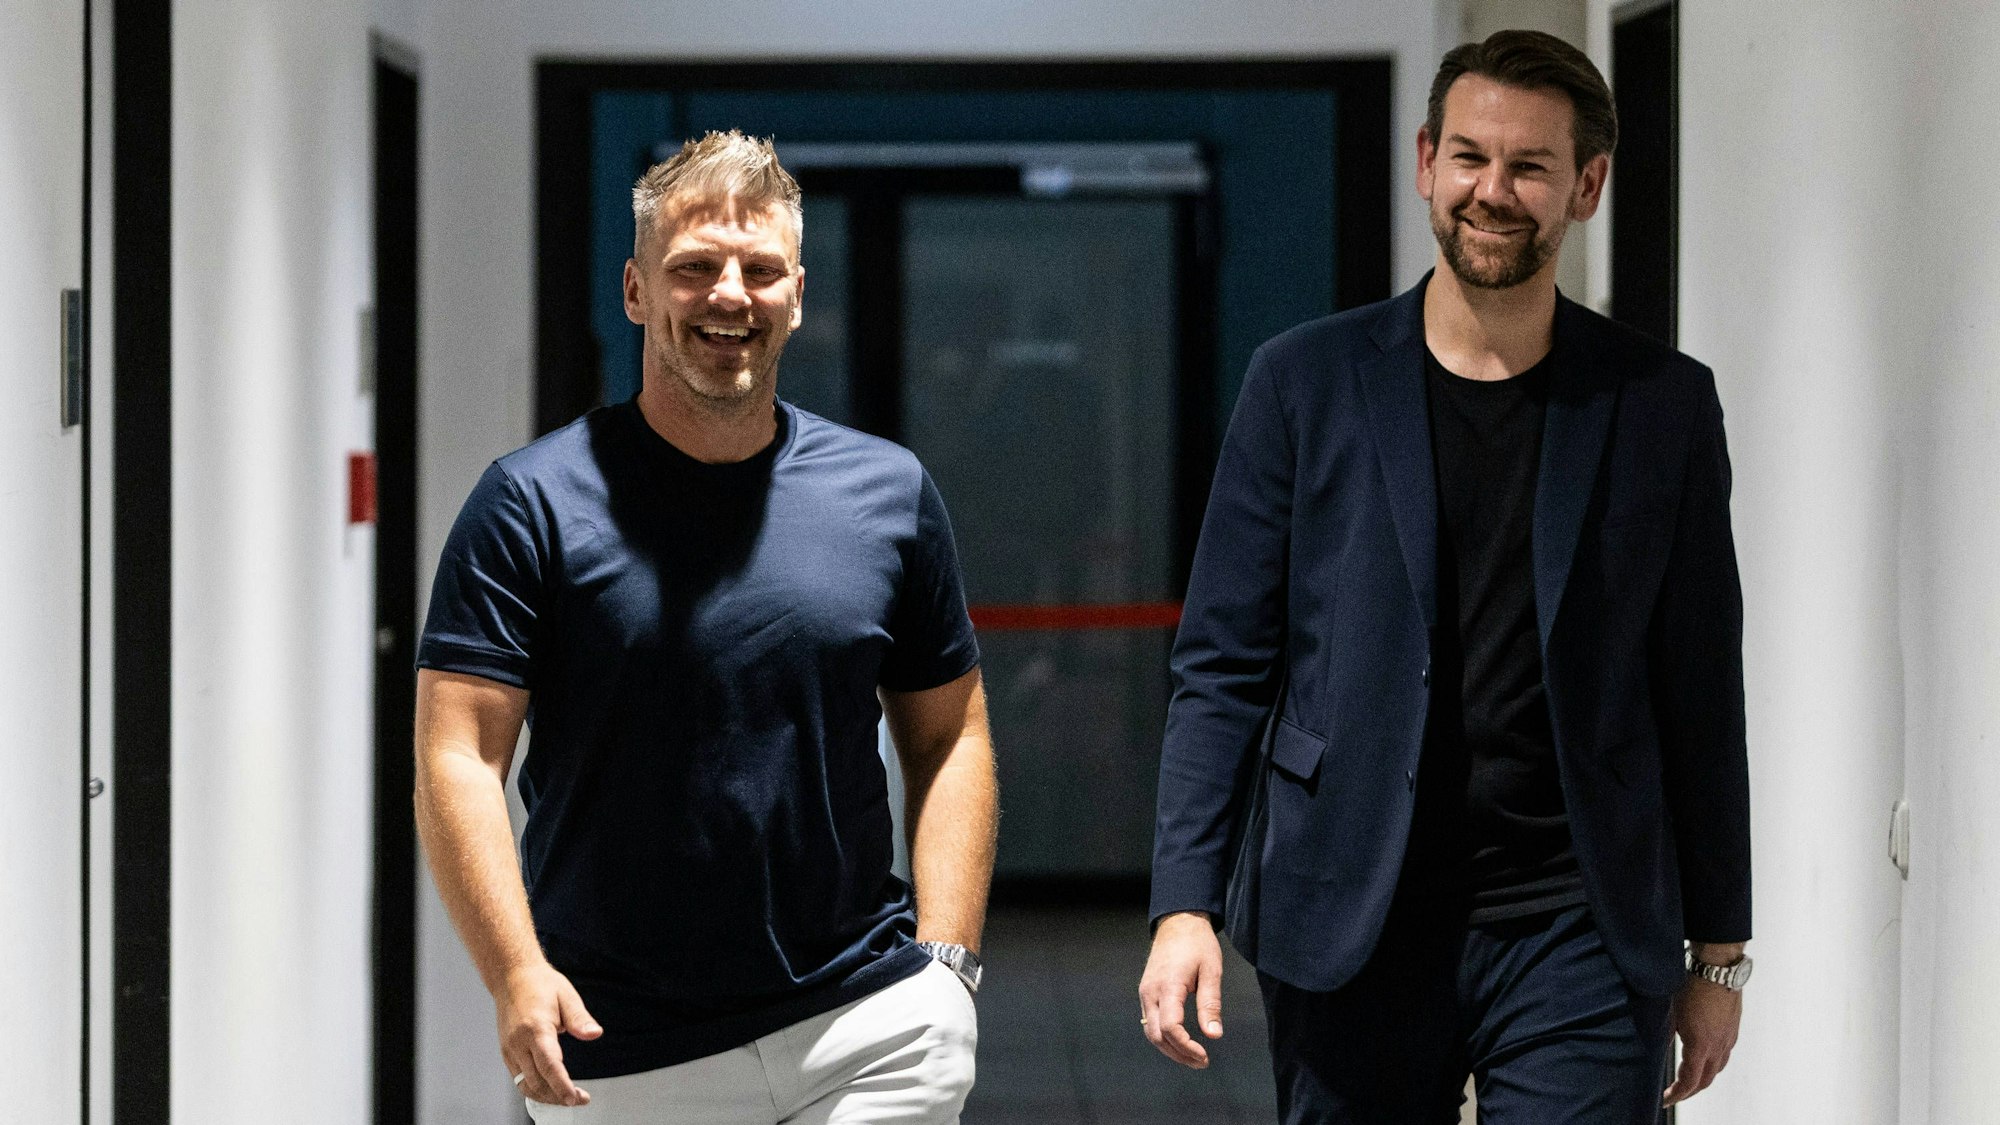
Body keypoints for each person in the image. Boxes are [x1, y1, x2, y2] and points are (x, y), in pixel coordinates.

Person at [1140, 30, 1751, 1123]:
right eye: (1469, 156)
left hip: (1577, 923)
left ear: (1587, 185)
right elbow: (1222, 666)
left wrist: (1718, 951)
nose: (1492, 190)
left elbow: (1699, 688)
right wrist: (1184, 901)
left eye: (1529, 166)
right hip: (1348, 907)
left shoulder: (1659, 406)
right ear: (1426, 162)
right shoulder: (1303, 383)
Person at [415, 130, 996, 1124]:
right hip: (622, 1048)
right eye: (694, 268)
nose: (730, 294)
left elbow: (951, 735)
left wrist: (948, 964)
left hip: (870, 1028)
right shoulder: (531, 503)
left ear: (796, 295)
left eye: (760, 270)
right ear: (637, 290)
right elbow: (458, 754)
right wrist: (513, 970)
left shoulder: (887, 492)